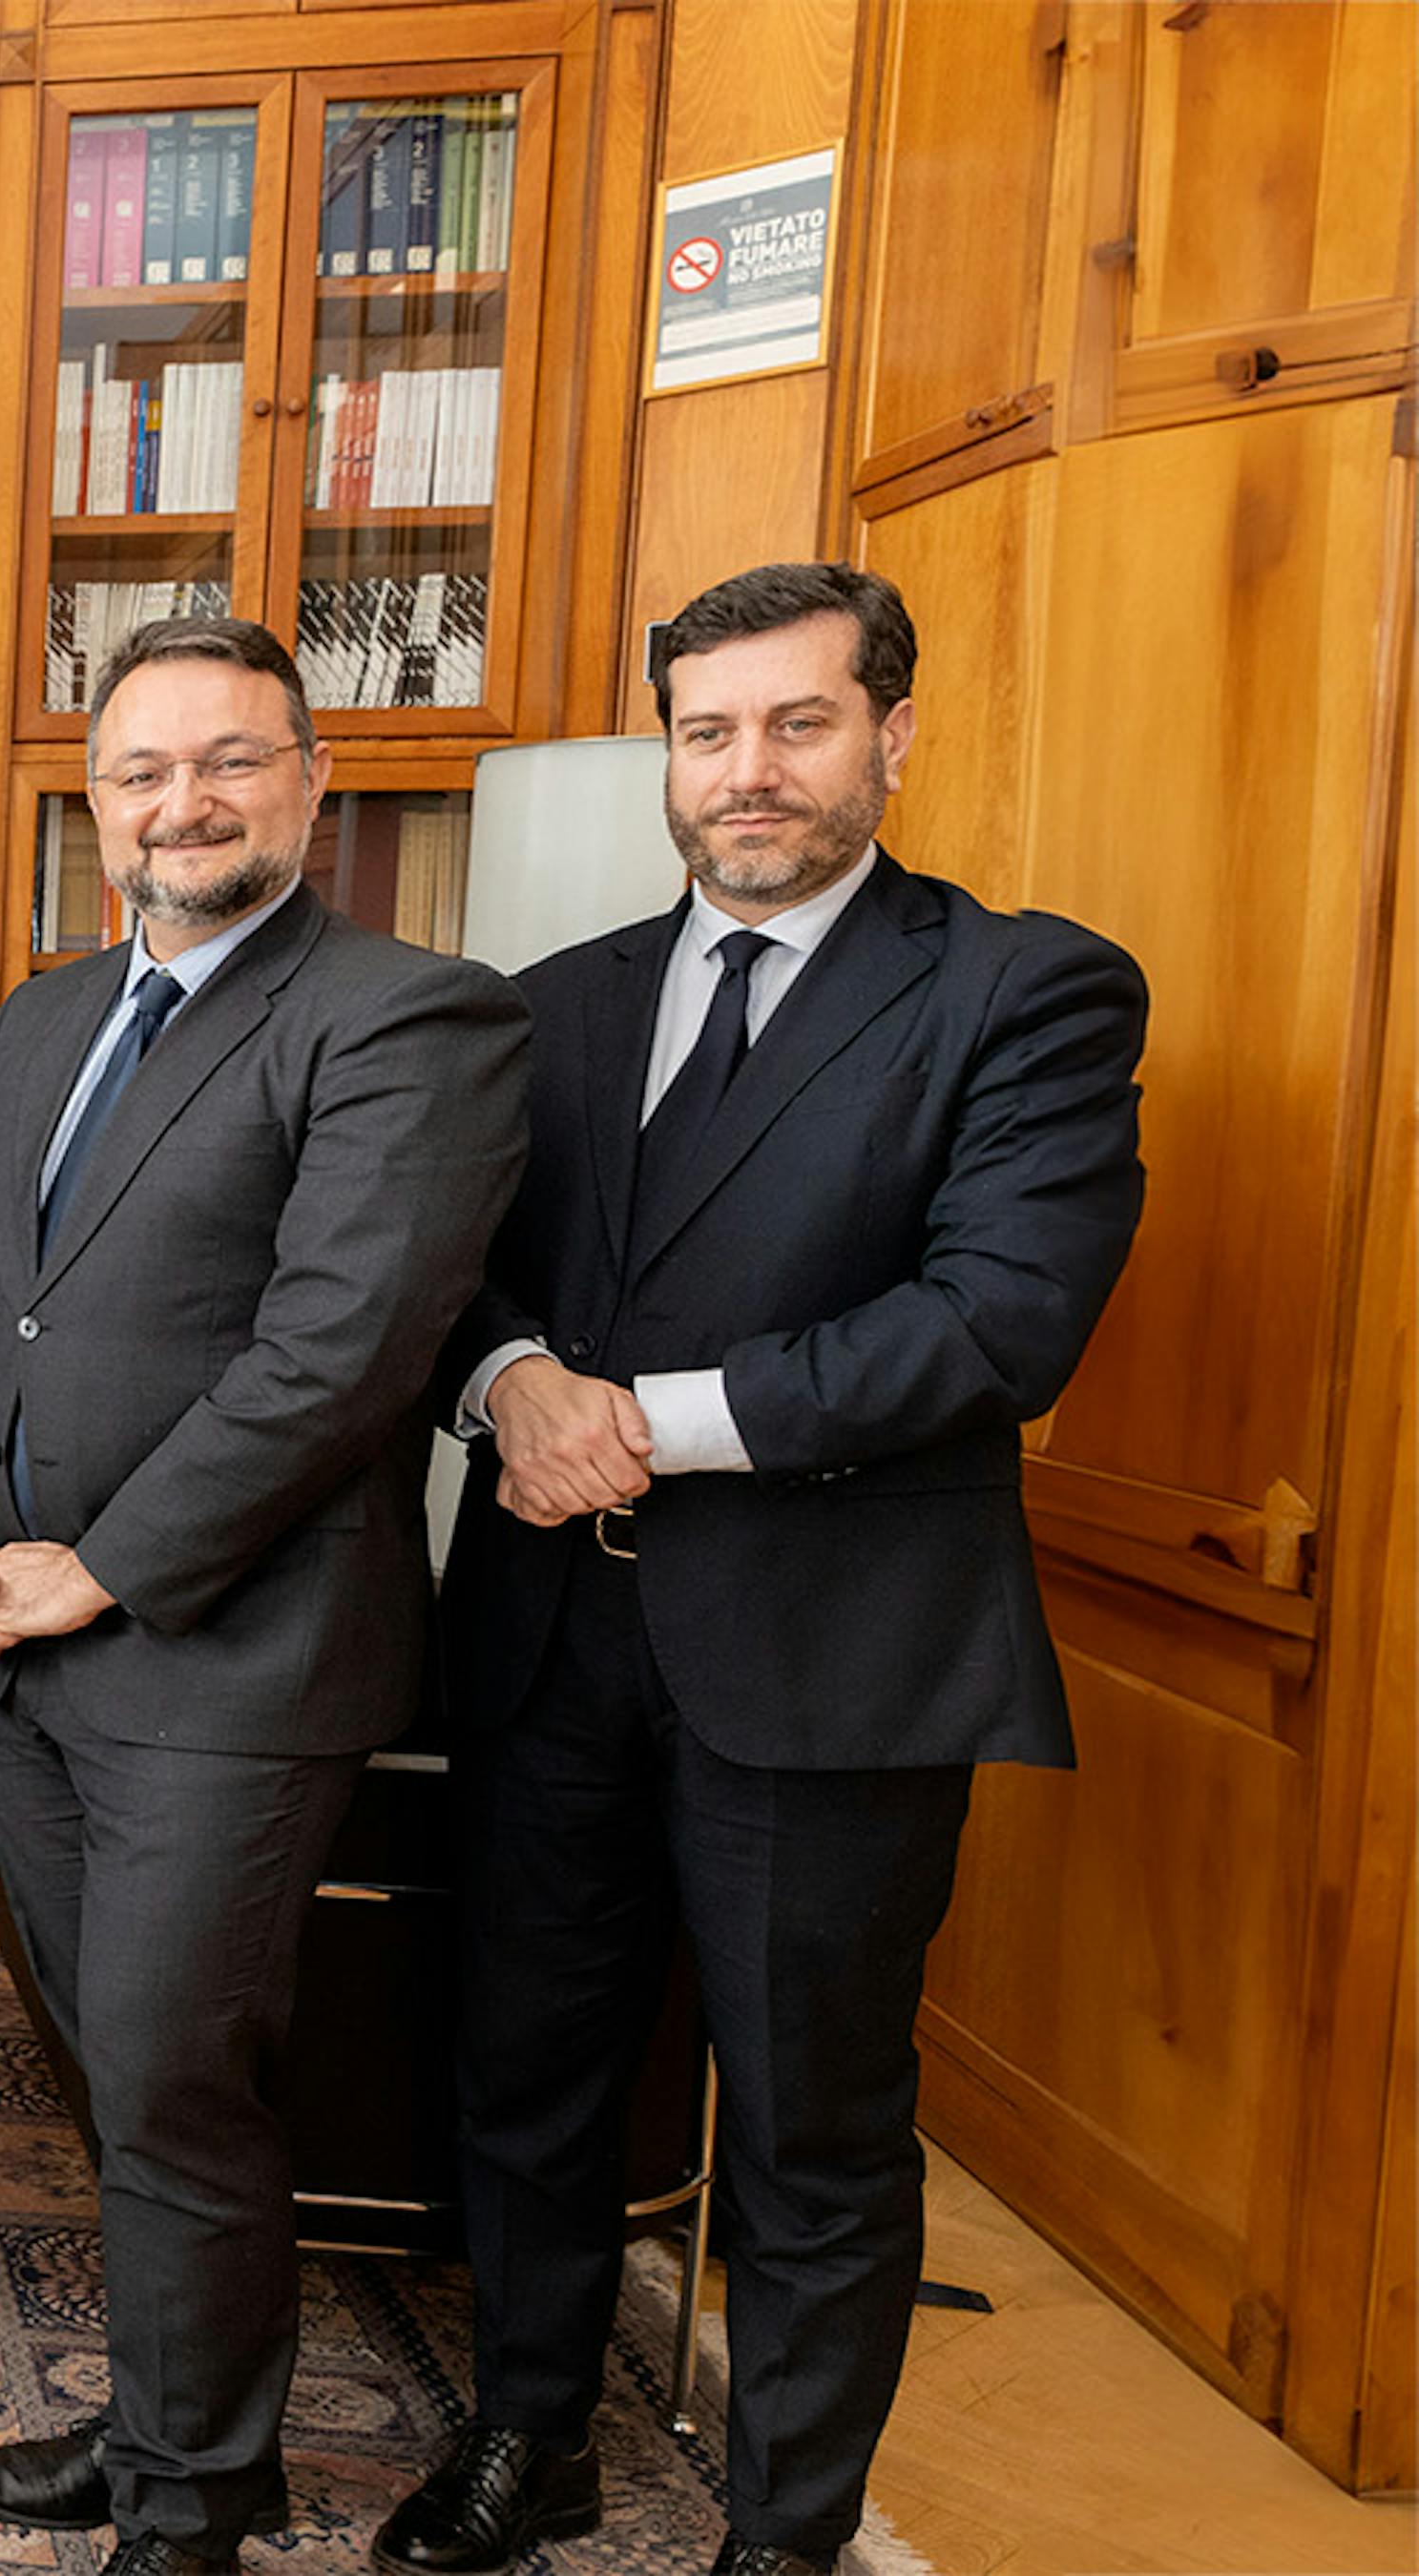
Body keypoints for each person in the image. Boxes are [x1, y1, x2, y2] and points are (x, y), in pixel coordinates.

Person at [381, 566, 1147, 2576]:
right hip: (553, 1638)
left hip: (827, 1657)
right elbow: (454, 1286)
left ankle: (787, 2536)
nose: (750, 772)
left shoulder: (1024, 989)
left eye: (799, 724)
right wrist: (519, 1376)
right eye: (709, 730)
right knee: (527, 2071)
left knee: (809, 2127)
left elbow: (997, 1325)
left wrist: (643, 1417)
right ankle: (533, 2434)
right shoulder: (562, 1001)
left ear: (893, 734)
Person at [0, 617, 528, 2576]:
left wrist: (105, 1563)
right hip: (17, 1651)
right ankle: (169, 2423)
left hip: (225, 1661)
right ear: (98, 813)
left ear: (312, 784)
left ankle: (190, 2506)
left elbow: (341, 1356)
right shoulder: (45, 1014)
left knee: (180, 2073)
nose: (187, 803)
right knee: (115, 2072)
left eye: (231, 760)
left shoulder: (410, 1016)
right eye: (144, 772)